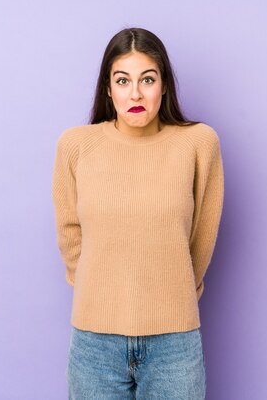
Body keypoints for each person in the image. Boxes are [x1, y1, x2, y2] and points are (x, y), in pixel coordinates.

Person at [51, 27, 224, 399]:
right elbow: (70, 233)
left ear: (163, 85)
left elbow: (201, 237)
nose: (135, 93)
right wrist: (99, 290)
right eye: (122, 80)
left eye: (147, 79)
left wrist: (174, 292)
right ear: (108, 89)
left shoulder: (197, 143)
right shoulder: (76, 146)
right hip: (94, 343)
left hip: (174, 344)